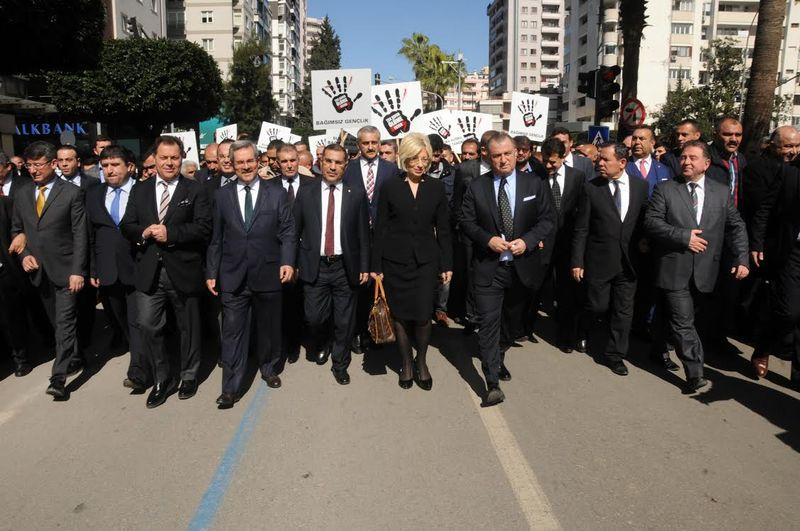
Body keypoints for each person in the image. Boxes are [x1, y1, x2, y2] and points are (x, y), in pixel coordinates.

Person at [644, 140, 749, 394]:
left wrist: (742, 259)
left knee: (672, 315)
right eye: (683, 157)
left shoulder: (720, 192)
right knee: (683, 321)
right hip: (674, 266)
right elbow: (651, 222)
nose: (686, 162)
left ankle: (657, 349)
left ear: (706, 163)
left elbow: (736, 226)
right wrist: (683, 237)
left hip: (706, 270)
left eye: (692, 158)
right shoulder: (666, 189)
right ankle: (695, 373)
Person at [461, 133, 554, 406]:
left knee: (512, 323)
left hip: (522, 269)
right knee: (488, 324)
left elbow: (547, 219)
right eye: (496, 155)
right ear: (488, 157)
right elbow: (465, 220)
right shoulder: (477, 186)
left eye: (507, 154)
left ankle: (500, 355)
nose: (503, 160)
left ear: (516, 153)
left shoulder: (534, 184)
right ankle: (492, 382)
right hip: (489, 269)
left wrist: (527, 241)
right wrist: (486, 239)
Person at [120, 136, 212, 409]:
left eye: (174, 157)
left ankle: (189, 375)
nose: (169, 163)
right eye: (164, 158)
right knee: (148, 324)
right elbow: (127, 225)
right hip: (149, 271)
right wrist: (143, 232)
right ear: (155, 159)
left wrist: (171, 234)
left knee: (188, 327)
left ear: (181, 158)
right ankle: (163, 378)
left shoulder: (195, 189)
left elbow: (204, 228)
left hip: (183, 269)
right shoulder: (140, 190)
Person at [206, 140, 295, 408]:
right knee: (232, 332)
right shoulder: (222, 196)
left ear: (258, 162)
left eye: (249, 161)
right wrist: (211, 271)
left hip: (268, 272)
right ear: (232, 165)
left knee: (268, 328)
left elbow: (288, 231)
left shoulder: (276, 193)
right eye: (240, 162)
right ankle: (230, 388)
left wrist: (287, 261)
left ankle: (268, 367)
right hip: (233, 275)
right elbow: (216, 238)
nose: (245, 166)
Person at [371, 133, 452, 391]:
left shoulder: (436, 187)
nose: (420, 164)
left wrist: (447, 264)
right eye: (415, 159)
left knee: (423, 315)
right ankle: (406, 363)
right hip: (395, 262)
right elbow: (380, 228)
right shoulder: (390, 187)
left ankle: (422, 361)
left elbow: (444, 229)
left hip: (426, 262)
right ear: (404, 158)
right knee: (400, 316)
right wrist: (376, 266)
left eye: (425, 159)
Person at [11, 141, 88, 399]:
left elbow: (80, 235)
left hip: (66, 270)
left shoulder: (71, 193)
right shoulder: (23, 194)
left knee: (65, 323)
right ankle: (75, 355)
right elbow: (17, 230)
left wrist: (78, 270)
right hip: (38, 272)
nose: (33, 170)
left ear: (53, 164)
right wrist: (24, 255)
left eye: (38, 165)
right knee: (57, 323)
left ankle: (58, 378)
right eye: (29, 165)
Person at [571, 143, 650, 376]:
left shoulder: (640, 187)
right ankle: (583, 328)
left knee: (623, 311)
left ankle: (615, 355)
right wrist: (577, 261)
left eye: (605, 159)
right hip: (599, 260)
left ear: (622, 162)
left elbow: (644, 220)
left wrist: (645, 241)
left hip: (629, 262)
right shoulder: (591, 188)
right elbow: (581, 228)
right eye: (599, 159)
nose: (600, 163)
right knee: (598, 306)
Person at [295, 144, 370, 384]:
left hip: (344, 267)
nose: (332, 167)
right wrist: (292, 262)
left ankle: (340, 363)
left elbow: (363, 234)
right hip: (314, 266)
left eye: (338, 162)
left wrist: (364, 266)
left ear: (345, 166)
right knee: (314, 317)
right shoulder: (306, 192)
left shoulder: (356, 193)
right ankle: (323, 341)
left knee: (344, 321)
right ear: (321, 162)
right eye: (328, 161)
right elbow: (294, 230)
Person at [85, 146, 149, 391]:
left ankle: (139, 372)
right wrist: (93, 269)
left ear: (130, 167)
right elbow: (91, 235)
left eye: (115, 165)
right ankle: (140, 354)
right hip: (108, 270)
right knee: (120, 318)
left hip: (139, 267)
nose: (109, 170)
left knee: (137, 321)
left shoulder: (144, 191)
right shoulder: (94, 194)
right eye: (105, 166)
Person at [343, 126, 401, 354]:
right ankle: (358, 331)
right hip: (356, 237)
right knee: (359, 285)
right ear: (358, 144)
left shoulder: (391, 169)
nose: (370, 147)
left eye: (374, 142)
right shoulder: (348, 169)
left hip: (383, 237)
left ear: (379, 143)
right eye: (365, 143)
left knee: (380, 284)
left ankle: (379, 329)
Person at [626, 126, 680, 370]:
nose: (637, 142)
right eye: (635, 138)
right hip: (629, 235)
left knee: (652, 286)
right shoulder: (624, 167)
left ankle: (645, 324)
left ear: (652, 142)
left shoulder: (664, 170)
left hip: (656, 239)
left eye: (642, 138)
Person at [535, 138, 585, 351]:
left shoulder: (577, 177)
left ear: (563, 158)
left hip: (567, 244)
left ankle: (566, 337)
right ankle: (524, 328)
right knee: (535, 287)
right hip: (542, 243)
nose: (548, 165)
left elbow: (582, 212)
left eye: (552, 162)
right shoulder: (536, 177)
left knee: (567, 294)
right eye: (545, 160)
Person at [276, 143, 316, 365]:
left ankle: (313, 339)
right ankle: (290, 344)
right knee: (287, 301)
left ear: (298, 161)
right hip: (281, 252)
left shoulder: (313, 184)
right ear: (278, 163)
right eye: (284, 161)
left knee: (309, 301)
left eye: (293, 160)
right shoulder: (269, 186)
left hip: (308, 251)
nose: (289, 165)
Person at [0, 191, 31, 377]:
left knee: (11, 318)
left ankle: (21, 358)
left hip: (5, 271)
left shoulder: (6, 204)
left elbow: (22, 226)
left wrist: (22, 236)